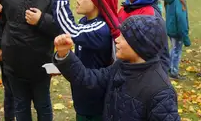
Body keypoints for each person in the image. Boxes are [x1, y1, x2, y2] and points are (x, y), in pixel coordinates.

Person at [53, 15, 181, 121]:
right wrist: (65, 55)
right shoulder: (120, 66)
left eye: (124, 37)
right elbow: (88, 80)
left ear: (140, 44)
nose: (117, 40)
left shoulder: (161, 92)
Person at [0, 0, 60, 121]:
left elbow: (61, 27)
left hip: (40, 65)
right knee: (20, 105)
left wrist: (41, 20)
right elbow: (1, 20)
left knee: (42, 104)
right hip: (14, 63)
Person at [53, 0, 119, 121]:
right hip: (84, 98)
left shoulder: (101, 29)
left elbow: (68, 29)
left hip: (95, 103)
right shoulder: (85, 23)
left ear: (98, 1)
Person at [118, 0, 170, 73]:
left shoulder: (150, 14)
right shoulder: (124, 8)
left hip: (143, 72)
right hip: (125, 66)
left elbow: (153, 53)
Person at [163, 0, 191, 80]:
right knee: (176, 51)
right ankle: (174, 72)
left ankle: (170, 68)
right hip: (177, 31)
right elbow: (181, 20)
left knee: (174, 48)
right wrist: (185, 37)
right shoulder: (179, 1)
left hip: (171, 30)